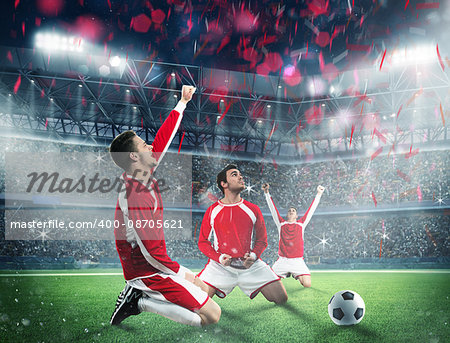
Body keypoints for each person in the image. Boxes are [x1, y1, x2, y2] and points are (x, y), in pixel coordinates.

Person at [108, 85, 221, 327]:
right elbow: (151, 253)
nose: (150, 146)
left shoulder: (143, 171)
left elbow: (163, 137)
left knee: (203, 287)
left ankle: (145, 295)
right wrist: (181, 273)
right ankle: (138, 301)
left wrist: (183, 102)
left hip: (153, 263)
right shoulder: (134, 193)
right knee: (212, 316)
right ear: (134, 157)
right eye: (143, 145)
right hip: (146, 271)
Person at [197, 164, 288, 304]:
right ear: (224, 184)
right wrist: (219, 258)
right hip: (220, 267)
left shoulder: (253, 209)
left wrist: (253, 256)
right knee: (196, 300)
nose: (240, 176)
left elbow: (262, 240)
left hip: (250, 265)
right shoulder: (212, 211)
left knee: (281, 298)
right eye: (234, 174)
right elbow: (203, 242)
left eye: (240, 174)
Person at [262, 183, 324, 288]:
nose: (291, 212)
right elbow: (273, 210)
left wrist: (318, 194)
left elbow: (311, 210)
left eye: (293, 211)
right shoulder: (281, 224)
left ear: (296, 215)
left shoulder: (301, 224)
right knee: (270, 284)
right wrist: (267, 193)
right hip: (282, 260)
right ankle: (285, 273)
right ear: (287, 215)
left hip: (297, 261)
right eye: (289, 211)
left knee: (307, 284)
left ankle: (296, 274)